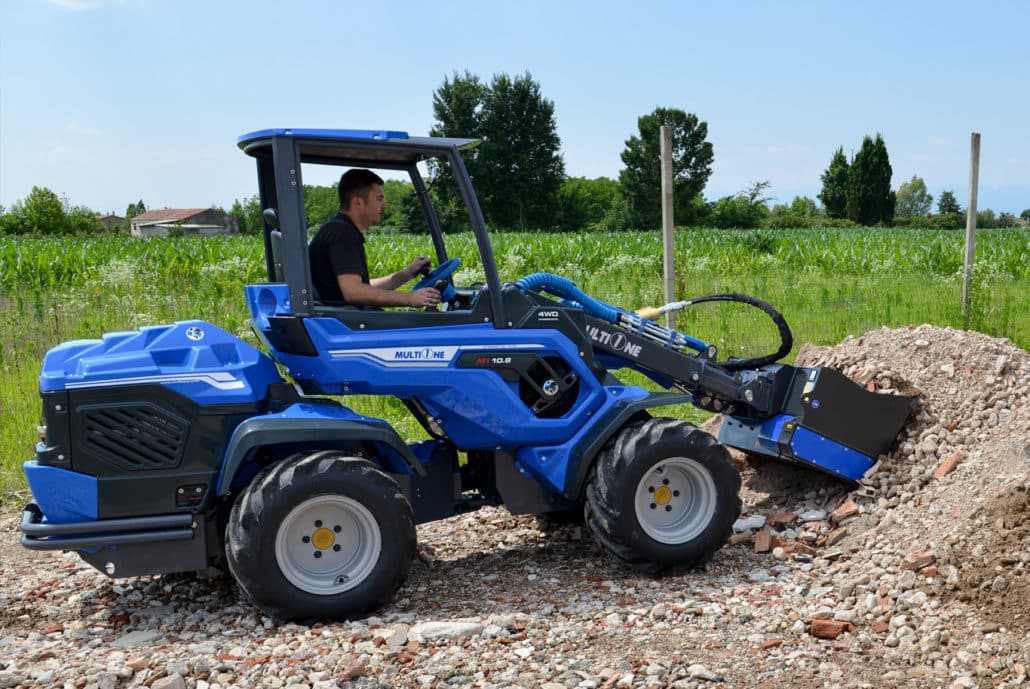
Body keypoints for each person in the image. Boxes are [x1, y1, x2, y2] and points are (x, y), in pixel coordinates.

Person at [309, 168, 441, 308]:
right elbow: (354, 292)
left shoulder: (340, 230)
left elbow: (364, 288)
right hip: (347, 318)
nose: (384, 205)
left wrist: (407, 274)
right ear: (358, 202)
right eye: (379, 199)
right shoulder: (342, 234)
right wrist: (409, 299)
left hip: (345, 315)